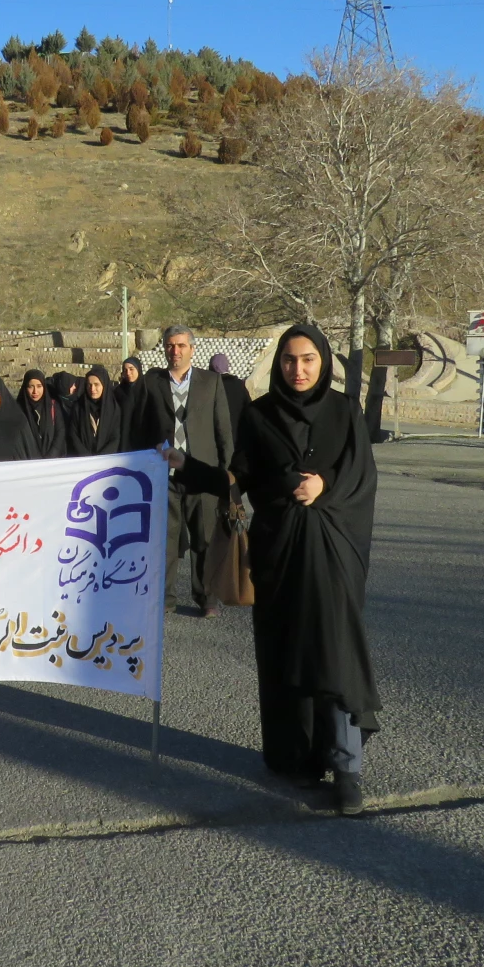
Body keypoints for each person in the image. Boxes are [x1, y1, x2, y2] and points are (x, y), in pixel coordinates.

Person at [163, 324, 380, 814]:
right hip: (278, 552)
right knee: (286, 652)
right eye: (288, 360)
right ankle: (295, 757)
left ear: (323, 361)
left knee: (335, 649)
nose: (297, 369)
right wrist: (185, 463)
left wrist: (324, 486)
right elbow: (236, 477)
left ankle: (347, 767)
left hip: (332, 551)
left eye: (307, 359)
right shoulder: (259, 415)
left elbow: (362, 475)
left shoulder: (345, 411)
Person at [130, 327, 233, 617]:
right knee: (165, 541)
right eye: (170, 345)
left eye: (181, 345)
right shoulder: (151, 383)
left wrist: (225, 475)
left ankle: (207, 598)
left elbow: (223, 430)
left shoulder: (211, 382)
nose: (175, 351)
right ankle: (165, 599)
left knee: (204, 539)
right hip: (164, 476)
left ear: (192, 349)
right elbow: (139, 427)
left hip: (202, 474)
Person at [68, 364, 124, 456]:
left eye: (96, 384)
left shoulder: (113, 408)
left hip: (106, 459)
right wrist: (86, 456)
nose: (92, 389)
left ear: (104, 385)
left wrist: (101, 457)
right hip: (83, 459)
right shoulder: (78, 407)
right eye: (89, 385)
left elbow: (115, 437)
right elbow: (73, 434)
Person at [18, 368, 69, 458]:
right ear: (25, 387)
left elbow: (60, 432)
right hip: (29, 460)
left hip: (52, 460)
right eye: (31, 386)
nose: (35, 391)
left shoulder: (53, 406)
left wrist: (51, 456)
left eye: (39, 386)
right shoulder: (19, 409)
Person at [209, 352, 253, 440]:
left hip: (214, 437)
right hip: (237, 435)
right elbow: (249, 409)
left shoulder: (209, 386)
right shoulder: (239, 385)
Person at [114, 357, 146, 445]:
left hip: (144, 438)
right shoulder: (118, 391)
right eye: (125, 370)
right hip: (124, 438)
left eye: (131, 369)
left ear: (138, 369)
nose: (128, 373)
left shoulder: (146, 390)